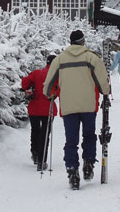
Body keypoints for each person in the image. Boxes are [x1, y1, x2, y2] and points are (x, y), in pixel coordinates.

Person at [44, 30, 110, 190]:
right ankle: (88, 164)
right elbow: (103, 83)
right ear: (83, 41)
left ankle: (72, 172)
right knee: (89, 136)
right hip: (88, 104)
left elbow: (48, 86)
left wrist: (49, 94)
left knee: (71, 140)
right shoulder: (91, 58)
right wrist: (105, 92)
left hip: (68, 106)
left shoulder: (59, 60)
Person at [21, 54, 59, 171]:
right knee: (45, 134)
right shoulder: (57, 75)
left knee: (35, 130)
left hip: (34, 108)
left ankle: (35, 152)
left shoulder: (37, 73)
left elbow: (24, 83)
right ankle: (42, 161)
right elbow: (59, 91)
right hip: (48, 109)